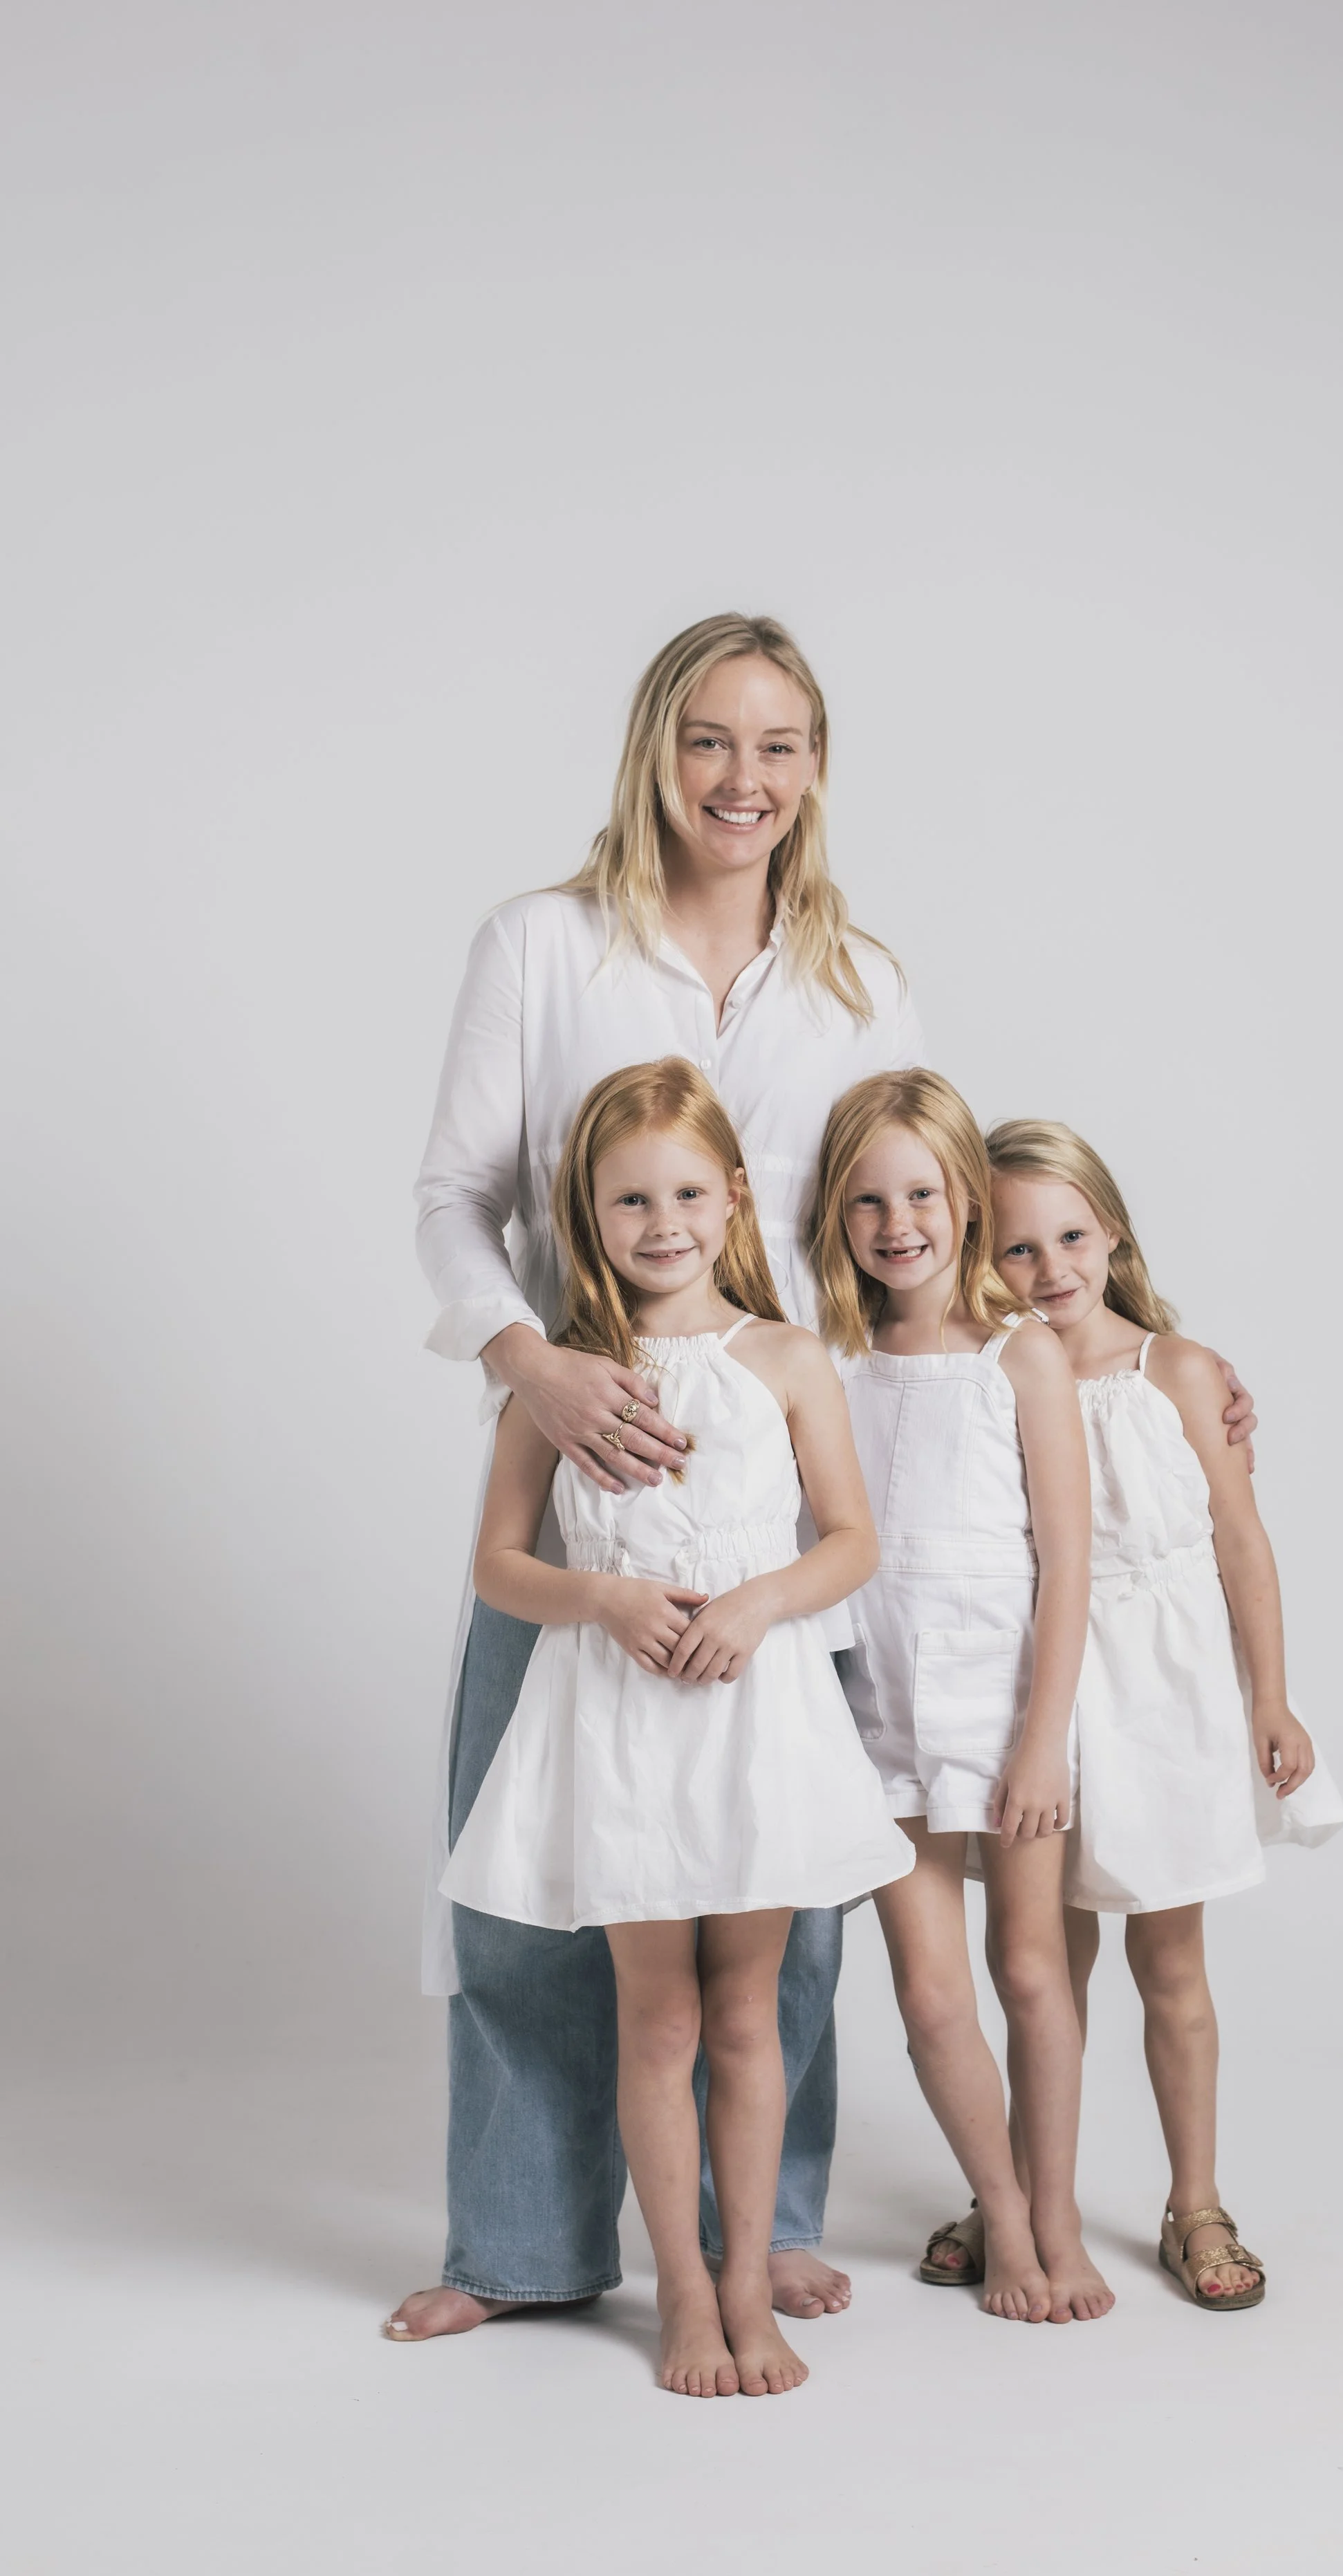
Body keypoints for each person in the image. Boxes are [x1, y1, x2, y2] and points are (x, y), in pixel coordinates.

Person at [389, 609, 1258, 2343]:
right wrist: (536, 1371)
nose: (743, 778)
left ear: (816, 772)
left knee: (778, 1876)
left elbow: (939, 1191)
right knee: (530, 1871)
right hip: (593, 1456)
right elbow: (452, 1200)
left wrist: (1150, 1349)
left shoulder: (861, 978)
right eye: (711, 740)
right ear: (654, 749)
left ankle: (758, 2229)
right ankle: (518, 2246)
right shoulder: (543, 945)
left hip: (793, 1476)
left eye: (779, 746)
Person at [440, 1060, 911, 2392]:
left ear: (735, 1197)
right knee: (656, 2018)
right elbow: (497, 1567)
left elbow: (852, 1539)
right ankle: (686, 2299)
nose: (663, 1222)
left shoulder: (785, 1356)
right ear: (586, 1214)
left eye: (688, 1192)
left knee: (749, 2012)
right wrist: (604, 1597)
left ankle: (750, 2277)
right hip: (624, 1726)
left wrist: (759, 1605)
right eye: (630, 1198)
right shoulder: (566, 1383)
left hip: (753, 1719)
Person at [923, 1120, 1343, 2309]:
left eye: (1070, 1235)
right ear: (974, 1255)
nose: (1050, 1268)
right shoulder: (990, 1376)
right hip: (1046, 1693)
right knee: (1039, 1964)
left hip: (1164, 1700)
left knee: (1170, 1961)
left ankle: (1194, 2199)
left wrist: (1269, 1691)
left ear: (1112, 1231)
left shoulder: (1182, 1372)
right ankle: (1015, 2192)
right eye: (1015, 1248)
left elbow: (1241, 1546)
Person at [808, 1071, 1115, 2324]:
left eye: (923, 1193)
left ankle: (1054, 2215)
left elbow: (1068, 1560)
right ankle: (1002, 2213)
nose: (899, 1224)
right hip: (876, 1718)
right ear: (837, 1214)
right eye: (869, 1200)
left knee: (1031, 1970)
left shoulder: (1019, 1356)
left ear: (965, 1200)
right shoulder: (828, 1359)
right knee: (931, 1993)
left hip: (1004, 1714)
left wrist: (1042, 1742)